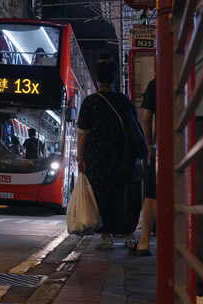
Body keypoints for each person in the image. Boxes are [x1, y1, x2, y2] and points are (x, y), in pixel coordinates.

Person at [76, 58, 144, 249]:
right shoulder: (124, 101)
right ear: (114, 78)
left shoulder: (91, 102)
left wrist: (80, 158)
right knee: (123, 195)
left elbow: (82, 134)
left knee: (102, 195)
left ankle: (106, 236)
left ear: (97, 80)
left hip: (98, 158)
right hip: (123, 158)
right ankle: (127, 233)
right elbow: (135, 129)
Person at [136, 78, 156, 256]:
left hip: (163, 146)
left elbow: (146, 118)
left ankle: (144, 241)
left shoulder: (157, 83)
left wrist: (149, 146)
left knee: (152, 194)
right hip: (195, 143)